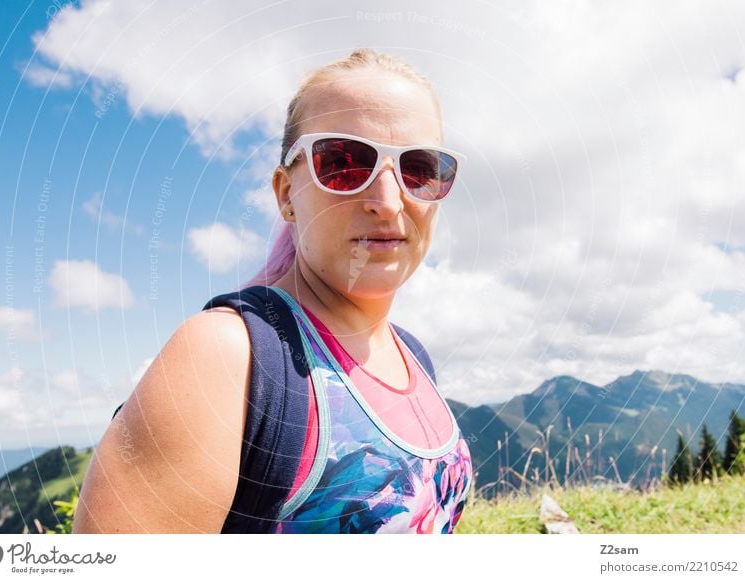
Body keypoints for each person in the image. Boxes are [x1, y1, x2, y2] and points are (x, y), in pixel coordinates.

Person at [73, 48, 473, 534]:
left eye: (419, 169)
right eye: (343, 164)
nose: (388, 203)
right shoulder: (225, 359)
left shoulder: (412, 354)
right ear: (286, 193)